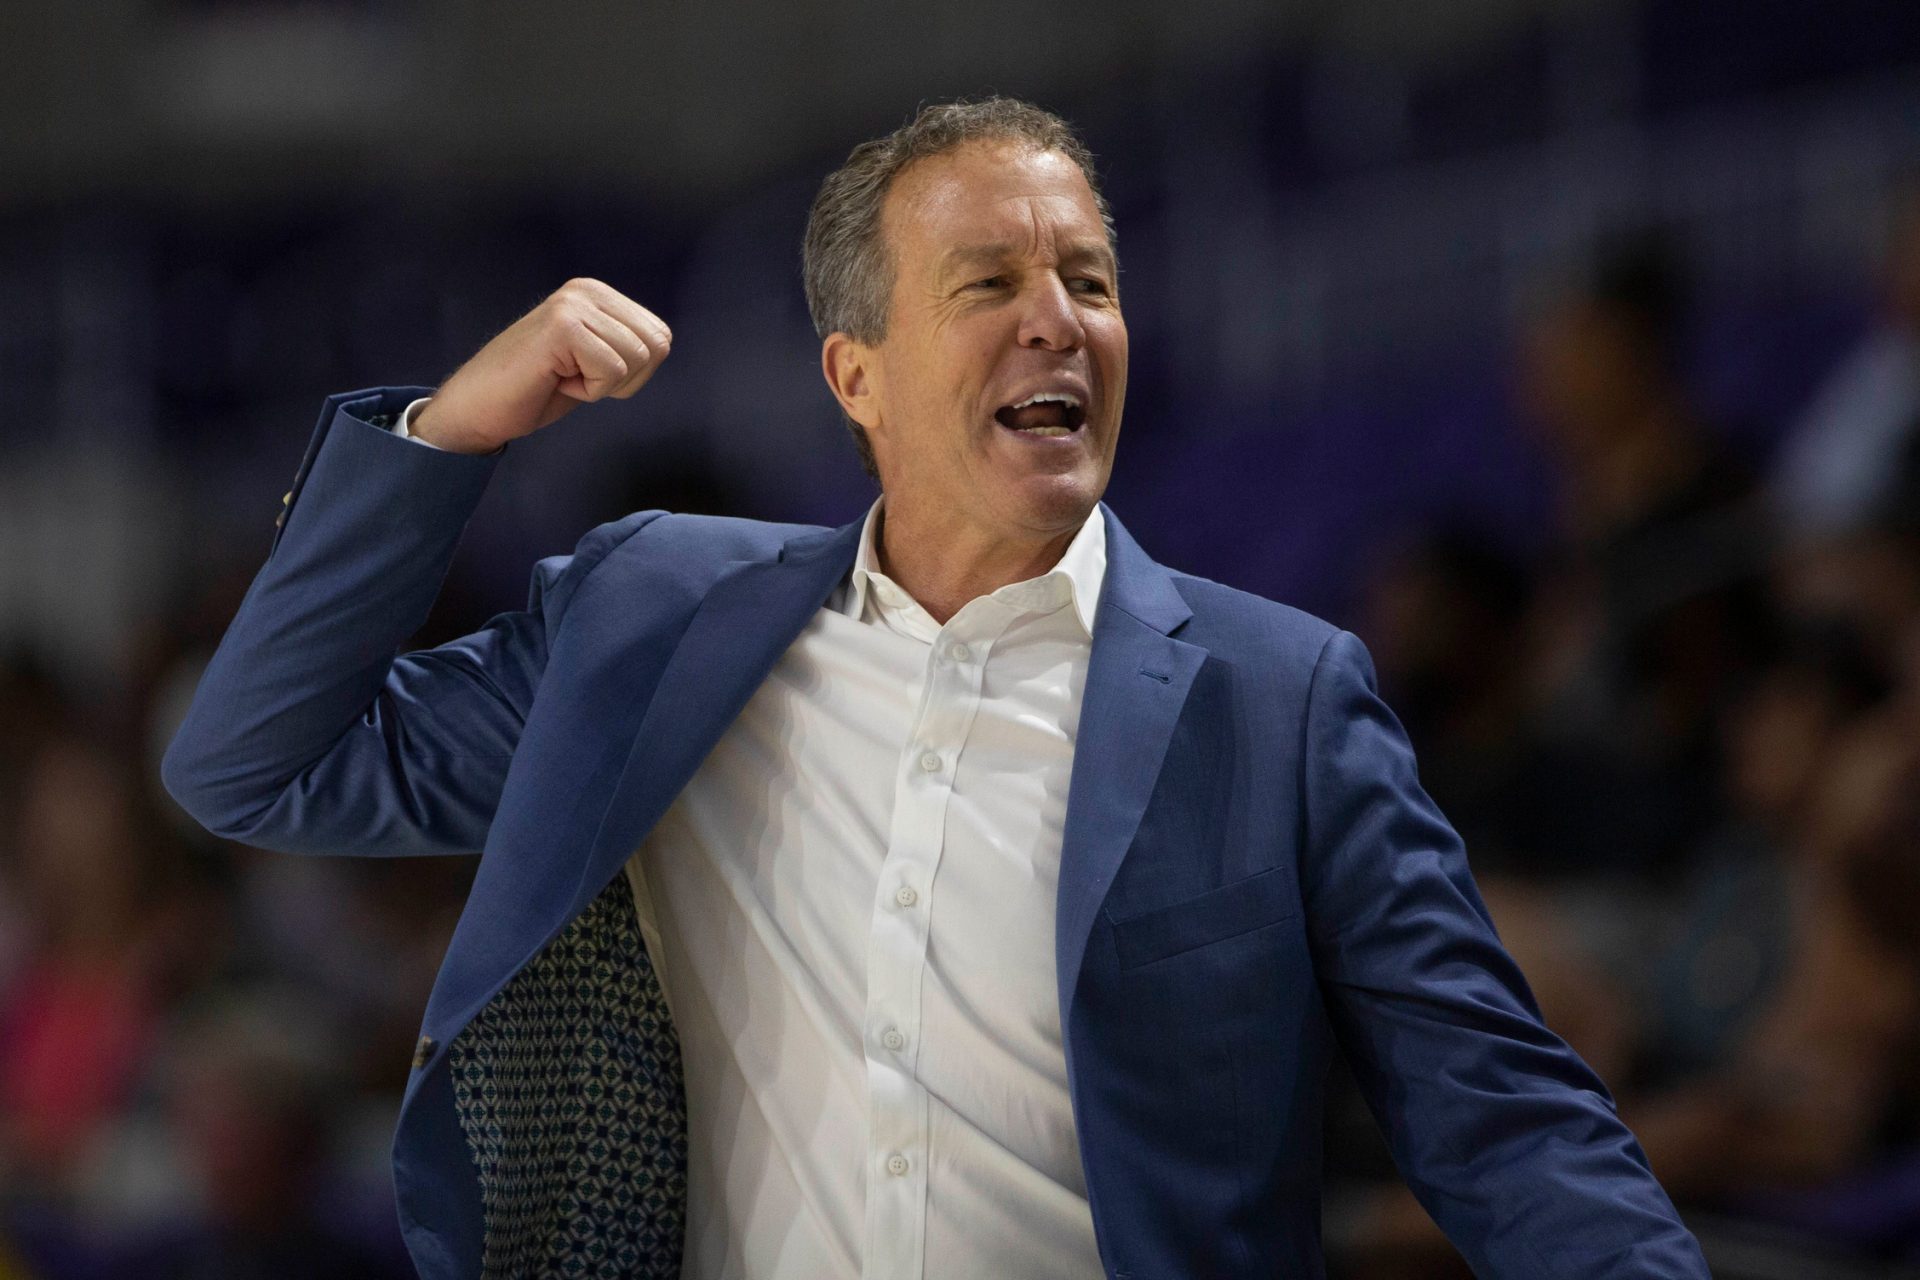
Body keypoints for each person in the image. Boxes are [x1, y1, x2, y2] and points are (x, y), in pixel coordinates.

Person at [162, 98, 1709, 1279]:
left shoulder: (1280, 698)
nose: (1060, 318)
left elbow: (1505, 1121)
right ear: (858, 375)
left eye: (1087, 279)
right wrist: (448, 436)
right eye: (990, 281)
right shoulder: (654, 620)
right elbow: (254, 761)